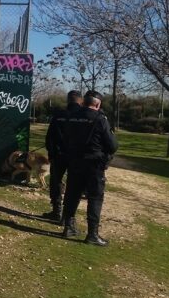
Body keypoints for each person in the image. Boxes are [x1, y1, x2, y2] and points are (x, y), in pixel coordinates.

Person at [61, 90, 118, 246]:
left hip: (74, 162)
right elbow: (112, 146)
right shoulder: (100, 119)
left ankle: (68, 227)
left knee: (72, 194)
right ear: (98, 104)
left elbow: (65, 138)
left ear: (84, 102)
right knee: (95, 197)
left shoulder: (72, 117)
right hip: (94, 164)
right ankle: (92, 234)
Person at [43, 90, 83, 222]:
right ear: (80, 100)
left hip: (58, 155)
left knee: (56, 182)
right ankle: (68, 216)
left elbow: (50, 137)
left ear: (68, 100)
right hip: (76, 157)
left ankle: (56, 210)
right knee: (73, 185)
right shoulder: (83, 115)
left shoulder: (59, 115)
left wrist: (51, 152)